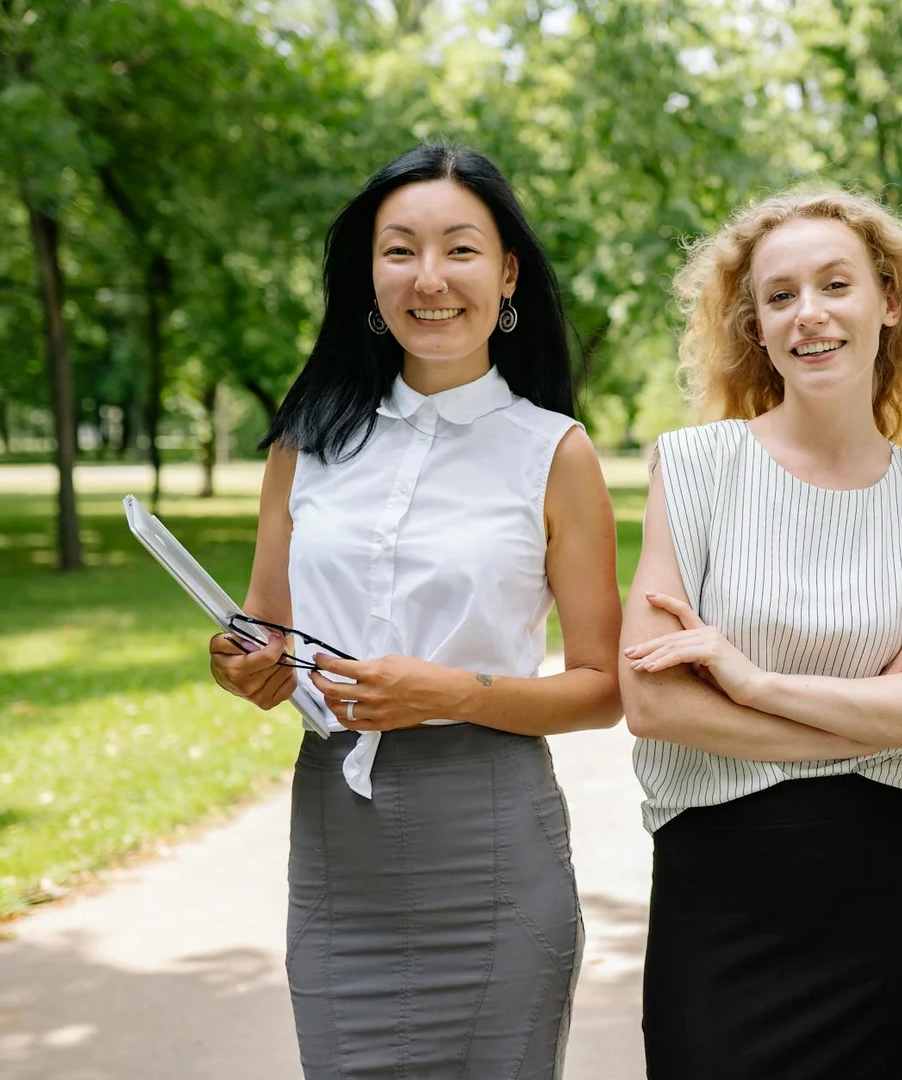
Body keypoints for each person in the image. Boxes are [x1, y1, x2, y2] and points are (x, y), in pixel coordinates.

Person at [206, 143, 622, 1079]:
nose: (429, 279)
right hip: (335, 842)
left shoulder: (556, 453)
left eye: (460, 250)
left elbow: (603, 690)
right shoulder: (303, 443)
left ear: (507, 272)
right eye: (400, 250)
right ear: (370, 271)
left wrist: (453, 692)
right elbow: (263, 631)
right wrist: (243, 666)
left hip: (490, 834)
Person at [619, 188, 902, 1080]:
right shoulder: (696, 468)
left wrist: (750, 685)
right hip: (715, 898)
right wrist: (873, 710)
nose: (810, 314)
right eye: (780, 295)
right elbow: (650, 699)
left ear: (890, 303)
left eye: (837, 284)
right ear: (754, 325)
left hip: (874, 909)